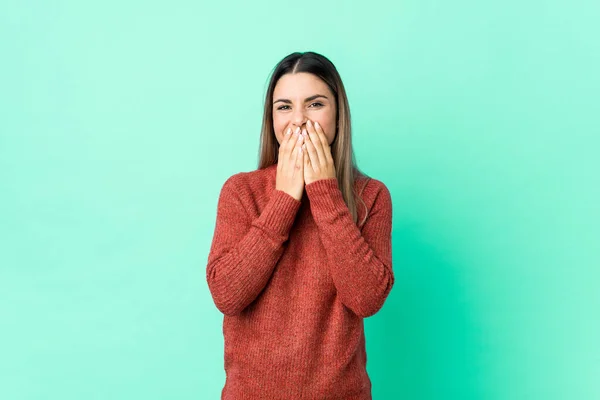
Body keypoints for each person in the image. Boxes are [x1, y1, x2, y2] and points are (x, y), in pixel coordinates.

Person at [206, 51, 394, 400]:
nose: (299, 121)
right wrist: (284, 199)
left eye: (315, 104)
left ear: (339, 115)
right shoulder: (241, 191)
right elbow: (227, 295)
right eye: (284, 107)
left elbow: (366, 298)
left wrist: (324, 194)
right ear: (271, 118)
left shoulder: (371, 197)